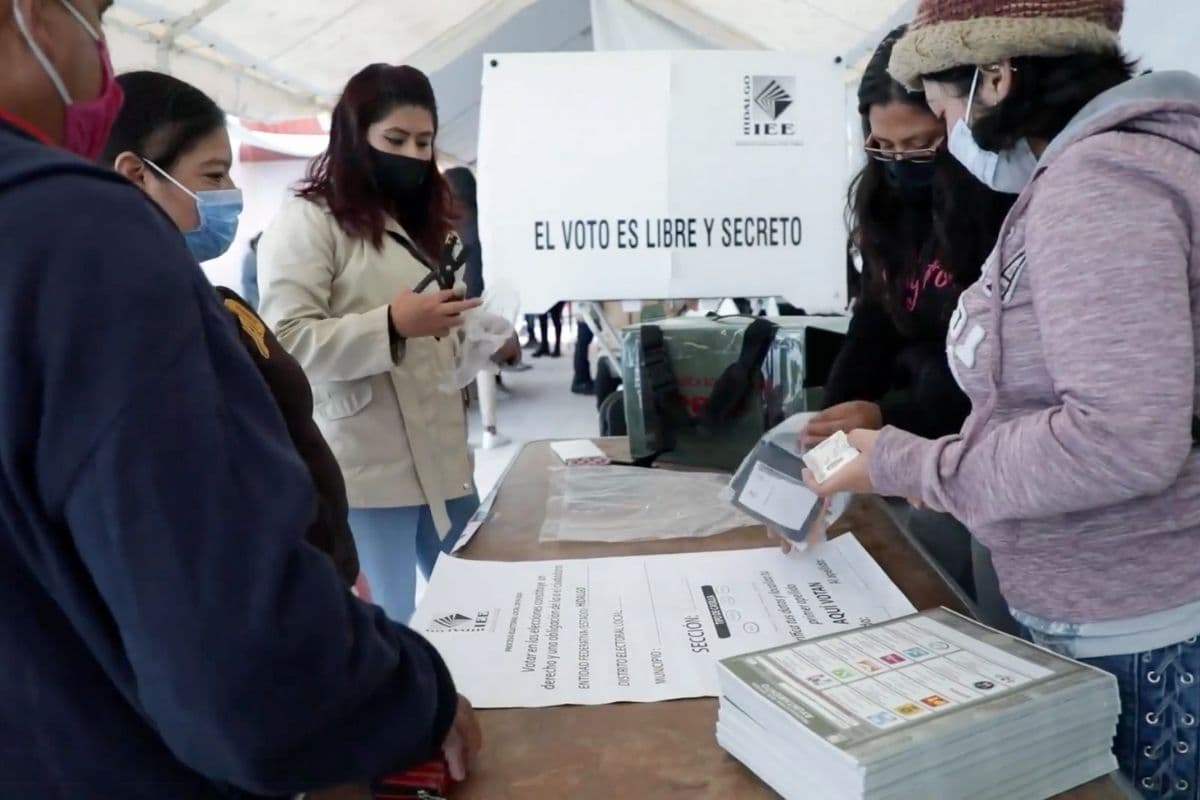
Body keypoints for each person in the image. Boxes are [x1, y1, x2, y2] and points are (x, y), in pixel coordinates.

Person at [0, 4, 478, 798]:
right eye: (94, 15)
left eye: (423, 144)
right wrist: (399, 699)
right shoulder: (84, 236)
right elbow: (230, 653)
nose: (100, 61)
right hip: (135, 751)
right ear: (32, 18)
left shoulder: (425, 221)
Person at [807, 1, 1200, 795]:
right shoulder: (1097, 172)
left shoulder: (1098, 188)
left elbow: (1119, 441)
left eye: (943, 106)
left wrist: (906, 463)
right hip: (1108, 601)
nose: (946, 131)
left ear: (996, 78)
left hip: (1128, 618)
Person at [102, 70, 362, 588]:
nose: (232, 195)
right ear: (135, 175)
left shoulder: (212, 302)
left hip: (316, 577)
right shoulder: (139, 328)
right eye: (214, 175)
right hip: (272, 596)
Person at [802, 27, 1017, 632]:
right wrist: (832, 423)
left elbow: (993, 369)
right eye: (883, 148)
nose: (900, 166)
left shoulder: (1001, 203)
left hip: (975, 444)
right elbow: (873, 321)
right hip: (916, 439)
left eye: (921, 148)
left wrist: (887, 423)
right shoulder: (884, 203)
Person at [258, 64, 482, 623]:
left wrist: (474, 338)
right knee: (387, 621)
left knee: (482, 606)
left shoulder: (435, 225)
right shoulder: (310, 221)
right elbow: (283, 340)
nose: (411, 153)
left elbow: (435, 326)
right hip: (364, 469)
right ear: (356, 138)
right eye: (395, 139)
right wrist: (390, 326)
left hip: (445, 460)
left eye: (424, 141)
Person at [445, 165, 514, 450]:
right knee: (483, 365)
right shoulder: (482, 223)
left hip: (454, 304)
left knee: (456, 368)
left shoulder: (447, 226)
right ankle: (490, 430)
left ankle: (463, 432)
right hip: (479, 301)